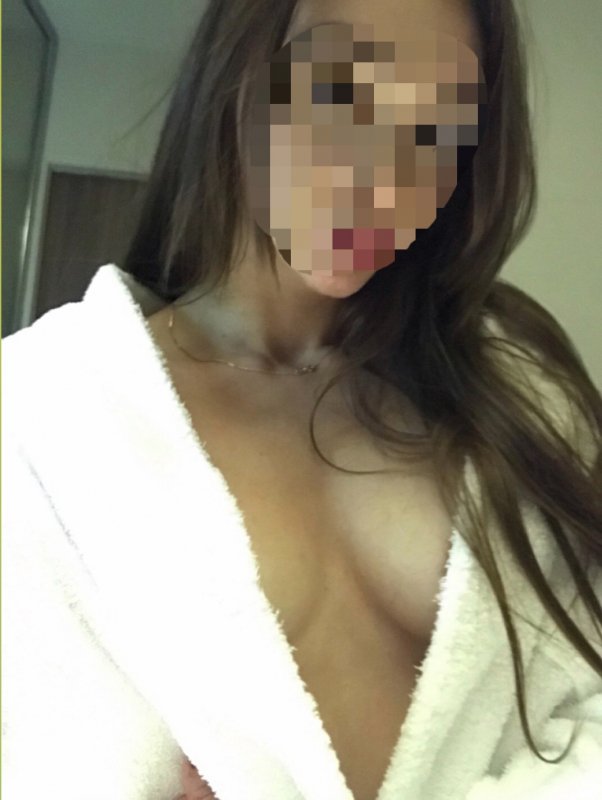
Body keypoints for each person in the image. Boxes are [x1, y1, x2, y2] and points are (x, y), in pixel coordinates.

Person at [3, 1, 601, 799]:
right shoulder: (40, 413)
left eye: (436, 127)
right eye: (338, 87)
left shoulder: (522, 394)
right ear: (237, 78)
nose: (383, 169)